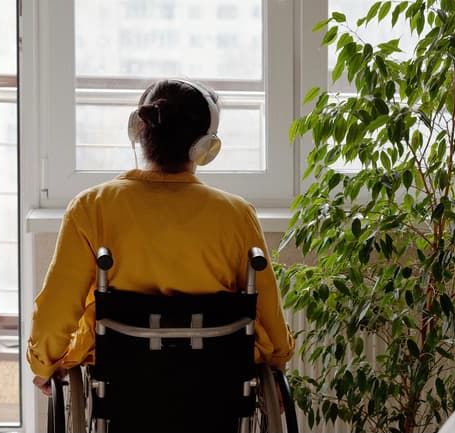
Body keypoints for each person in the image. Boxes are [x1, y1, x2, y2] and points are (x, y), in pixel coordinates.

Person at [27, 78, 294, 396]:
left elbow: (57, 308)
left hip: (122, 393)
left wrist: (45, 365)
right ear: (205, 148)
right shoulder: (237, 214)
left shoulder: (91, 207)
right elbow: (267, 309)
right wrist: (278, 361)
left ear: (137, 130)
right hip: (214, 395)